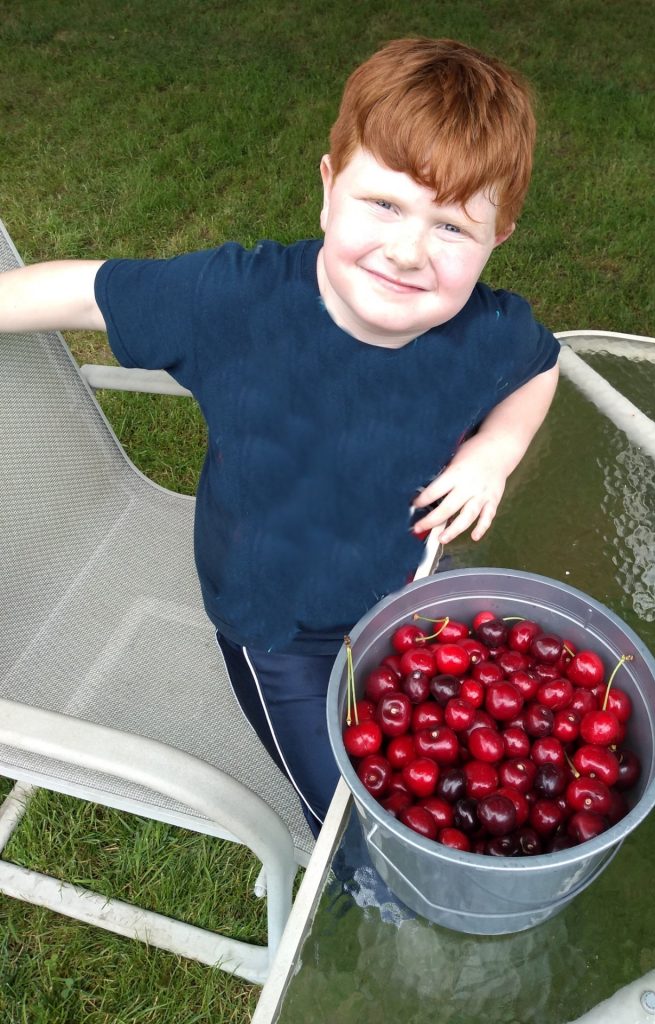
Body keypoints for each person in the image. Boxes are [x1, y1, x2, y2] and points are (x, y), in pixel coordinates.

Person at [0, 37, 559, 837]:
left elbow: (541, 368)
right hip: (283, 629)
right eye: (385, 205)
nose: (407, 250)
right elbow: (85, 294)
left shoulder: (492, 331)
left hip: (416, 605)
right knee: (352, 822)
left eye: (452, 229)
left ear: (498, 237)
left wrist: (496, 450)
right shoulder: (236, 301)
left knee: (462, 784)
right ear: (329, 190)